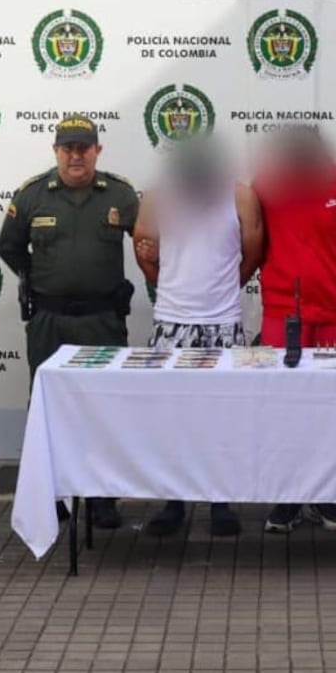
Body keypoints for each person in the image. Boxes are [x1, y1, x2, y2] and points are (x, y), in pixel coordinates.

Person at [0, 114, 140, 531]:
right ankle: (50, 496)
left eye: (84, 147)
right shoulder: (31, 196)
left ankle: (102, 499)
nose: (76, 156)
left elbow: (148, 238)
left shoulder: (120, 194)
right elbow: (10, 248)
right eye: (68, 148)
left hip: (102, 320)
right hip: (50, 321)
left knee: (106, 408)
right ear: (56, 151)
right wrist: (42, 280)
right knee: (46, 410)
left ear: (97, 150)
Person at [130, 136, 265, 537]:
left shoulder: (240, 197)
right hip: (172, 325)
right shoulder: (157, 199)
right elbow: (144, 251)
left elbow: (253, 253)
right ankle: (175, 502)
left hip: (224, 325)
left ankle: (221, 502)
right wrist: (170, 291)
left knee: (223, 418)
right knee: (172, 419)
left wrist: (222, 292)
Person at [252, 124, 336, 534]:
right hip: (281, 315)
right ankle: (286, 498)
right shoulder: (266, 187)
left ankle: (328, 496)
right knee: (281, 407)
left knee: (333, 408)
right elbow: (254, 242)